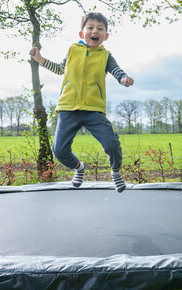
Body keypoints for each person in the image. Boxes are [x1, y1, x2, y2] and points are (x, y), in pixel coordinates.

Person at [29, 12, 134, 192]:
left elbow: (117, 71)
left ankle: (116, 171)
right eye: (91, 28)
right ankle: (79, 167)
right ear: (81, 33)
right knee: (59, 151)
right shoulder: (72, 50)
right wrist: (40, 59)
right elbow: (60, 69)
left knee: (112, 144)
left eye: (100, 29)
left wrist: (123, 78)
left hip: (93, 109)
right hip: (68, 108)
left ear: (105, 36)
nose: (95, 31)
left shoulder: (105, 56)